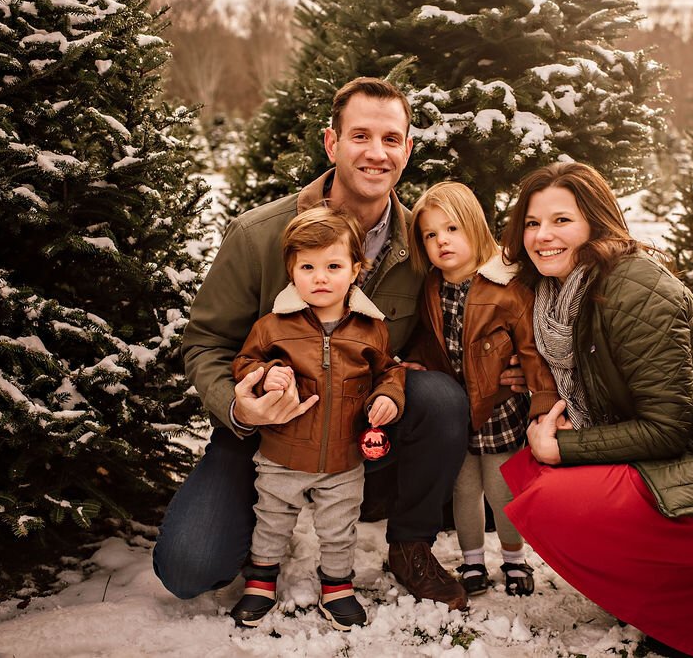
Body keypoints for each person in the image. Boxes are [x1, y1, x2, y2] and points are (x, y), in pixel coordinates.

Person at [153, 77, 486, 615]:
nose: (377, 153)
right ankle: (263, 524)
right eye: (360, 136)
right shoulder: (259, 234)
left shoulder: (422, 243)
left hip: (361, 427)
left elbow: (450, 325)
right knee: (190, 567)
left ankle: (409, 545)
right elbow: (206, 342)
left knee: (442, 397)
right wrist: (240, 405)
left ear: (407, 149)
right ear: (331, 144)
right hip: (267, 433)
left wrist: (510, 363)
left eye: (392, 139)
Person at [499, 161, 693, 658]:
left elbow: (665, 429)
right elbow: (603, 374)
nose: (542, 236)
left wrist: (563, 445)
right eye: (533, 223)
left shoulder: (631, 288)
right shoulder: (559, 295)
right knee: (528, 475)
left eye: (562, 220)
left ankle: (682, 606)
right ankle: (662, 599)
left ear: (597, 224)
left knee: (552, 495)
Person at [228, 207, 405, 630]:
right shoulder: (273, 326)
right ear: (292, 271)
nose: (320, 277)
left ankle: (337, 585)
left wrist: (389, 397)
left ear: (356, 270)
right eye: (307, 266)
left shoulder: (370, 329)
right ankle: (261, 579)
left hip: (344, 458)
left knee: (339, 526)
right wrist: (268, 374)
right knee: (271, 518)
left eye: (333, 266)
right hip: (282, 453)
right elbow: (244, 362)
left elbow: (390, 370)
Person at [405, 182, 559, 597]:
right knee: (463, 489)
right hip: (457, 413)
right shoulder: (432, 289)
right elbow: (428, 339)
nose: (442, 241)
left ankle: (513, 559)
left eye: (451, 229)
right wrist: (415, 362)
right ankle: (472, 561)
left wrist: (542, 403)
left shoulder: (505, 289)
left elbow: (532, 351)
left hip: (498, 410)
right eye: (430, 235)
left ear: (474, 226)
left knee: (501, 490)